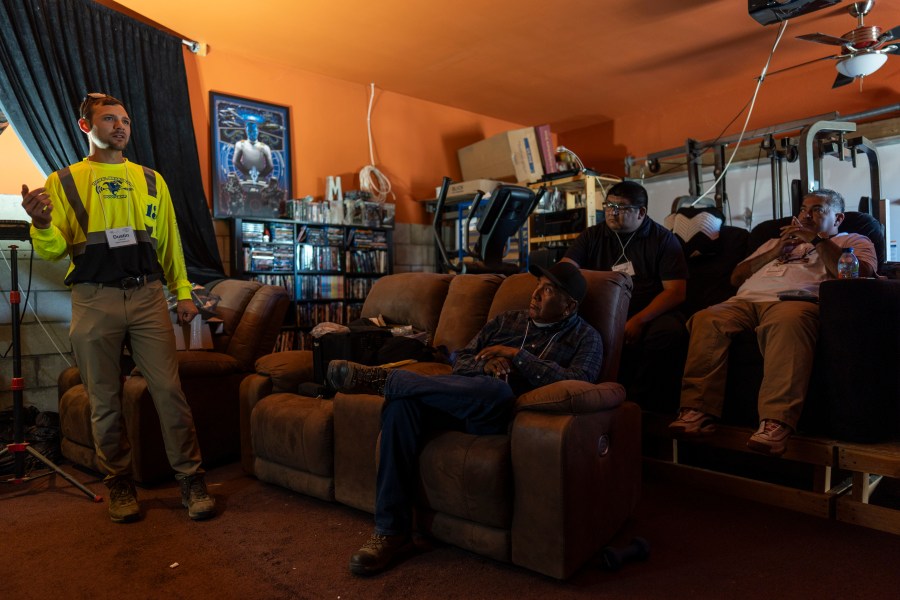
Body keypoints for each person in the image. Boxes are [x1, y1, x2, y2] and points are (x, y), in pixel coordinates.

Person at [326, 262, 603, 576]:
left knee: (497, 392)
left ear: (569, 306)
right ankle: (392, 532)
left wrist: (517, 357)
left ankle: (387, 381)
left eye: (549, 290)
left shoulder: (586, 338)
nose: (536, 293)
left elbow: (581, 382)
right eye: (537, 284)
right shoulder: (508, 320)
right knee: (401, 406)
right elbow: (462, 360)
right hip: (459, 400)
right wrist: (486, 365)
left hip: (501, 415)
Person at [19, 93, 215, 523]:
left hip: (147, 297)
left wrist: (183, 292)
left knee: (169, 392)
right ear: (86, 126)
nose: (120, 126)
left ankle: (191, 479)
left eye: (124, 119)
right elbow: (52, 252)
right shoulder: (63, 181)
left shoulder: (150, 180)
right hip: (93, 299)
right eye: (109, 119)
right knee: (104, 400)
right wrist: (40, 223)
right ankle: (118, 482)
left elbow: (169, 241)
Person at [669, 189, 877, 456]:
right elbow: (736, 277)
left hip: (794, 302)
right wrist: (776, 250)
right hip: (745, 303)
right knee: (706, 318)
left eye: (817, 209)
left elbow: (861, 273)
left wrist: (815, 240)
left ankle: (776, 422)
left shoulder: (853, 239)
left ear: (837, 218)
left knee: (788, 322)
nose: (806, 215)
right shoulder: (771, 242)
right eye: (803, 209)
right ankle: (697, 411)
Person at [562, 180, 688, 410]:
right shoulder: (592, 236)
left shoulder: (663, 240)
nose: (611, 212)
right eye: (608, 206)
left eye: (620, 208)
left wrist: (638, 320)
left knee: (668, 333)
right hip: (602, 308)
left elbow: (675, 293)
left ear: (641, 212)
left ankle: (642, 406)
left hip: (649, 311)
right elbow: (566, 268)